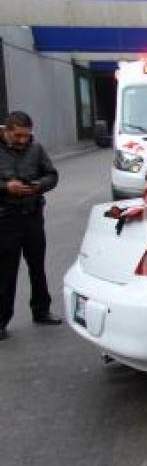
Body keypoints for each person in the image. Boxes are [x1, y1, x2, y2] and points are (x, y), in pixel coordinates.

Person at [1, 111, 62, 341]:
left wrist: (38, 185)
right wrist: (7, 187)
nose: (22, 141)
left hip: (32, 215)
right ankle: (1, 321)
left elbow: (52, 175)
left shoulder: (36, 149)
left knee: (37, 266)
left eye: (26, 136)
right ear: (6, 131)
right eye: (17, 136)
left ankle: (41, 310)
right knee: (6, 271)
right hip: (6, 219)